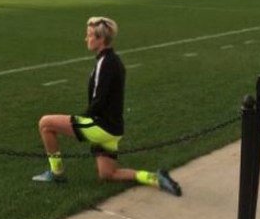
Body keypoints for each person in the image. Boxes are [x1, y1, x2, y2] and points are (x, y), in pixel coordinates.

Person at [32, 17, 182, 197]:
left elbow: (99, 101)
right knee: (108, 174)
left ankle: (56, 173)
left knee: (45, 123)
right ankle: (155, 178)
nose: (86, 39)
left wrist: (80, 121)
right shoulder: (112, 60)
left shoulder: (106, 63)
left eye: (89, 36)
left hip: (101, 126)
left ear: (100, 39)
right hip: (113, 129)